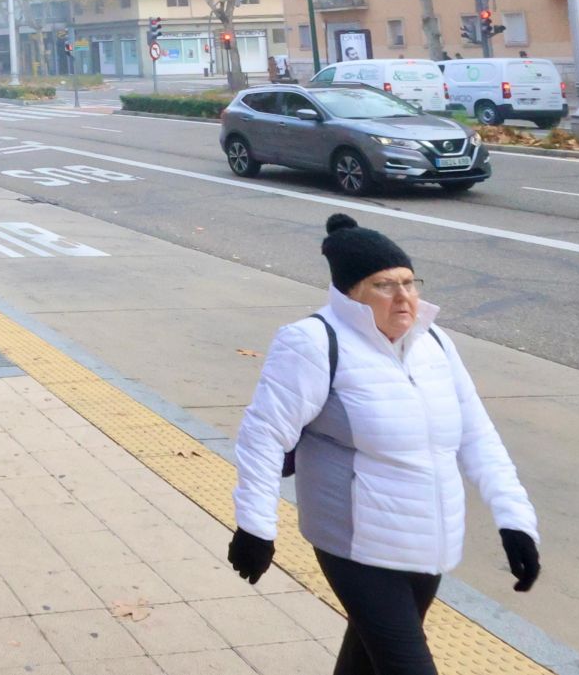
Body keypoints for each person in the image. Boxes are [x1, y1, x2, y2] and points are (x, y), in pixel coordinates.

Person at [228, 215, 539, 675]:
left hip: (426, 542)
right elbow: (264, 434)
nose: (404, 298)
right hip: (355, 542)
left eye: (409, 283)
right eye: (384, 285)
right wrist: (256, 527)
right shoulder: (314, 342)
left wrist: (515, 521)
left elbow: (476, 435)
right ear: (350, 294)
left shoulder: (434, 342)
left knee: (368, 662)